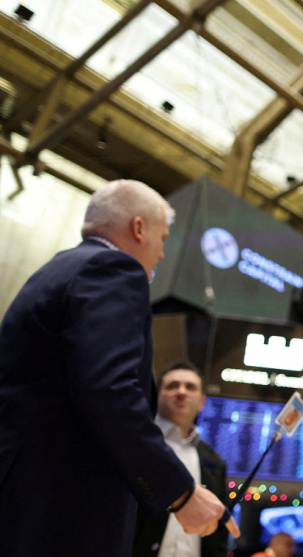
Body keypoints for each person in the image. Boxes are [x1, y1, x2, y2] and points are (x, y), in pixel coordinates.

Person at [0, 179, 239, 556]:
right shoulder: (113, 269)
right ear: (139, 228)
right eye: (162, 238)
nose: (162, 253)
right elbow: (109, 390)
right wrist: (180, 492)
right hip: (59, 509)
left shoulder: (60, 268)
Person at [133, 361, 231, 557]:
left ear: (202, 402)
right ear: (157, 395)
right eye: (172, 386)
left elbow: (218, 530)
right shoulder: (137, 444)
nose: (181, 392)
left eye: (190, 387)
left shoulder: (214, 461)